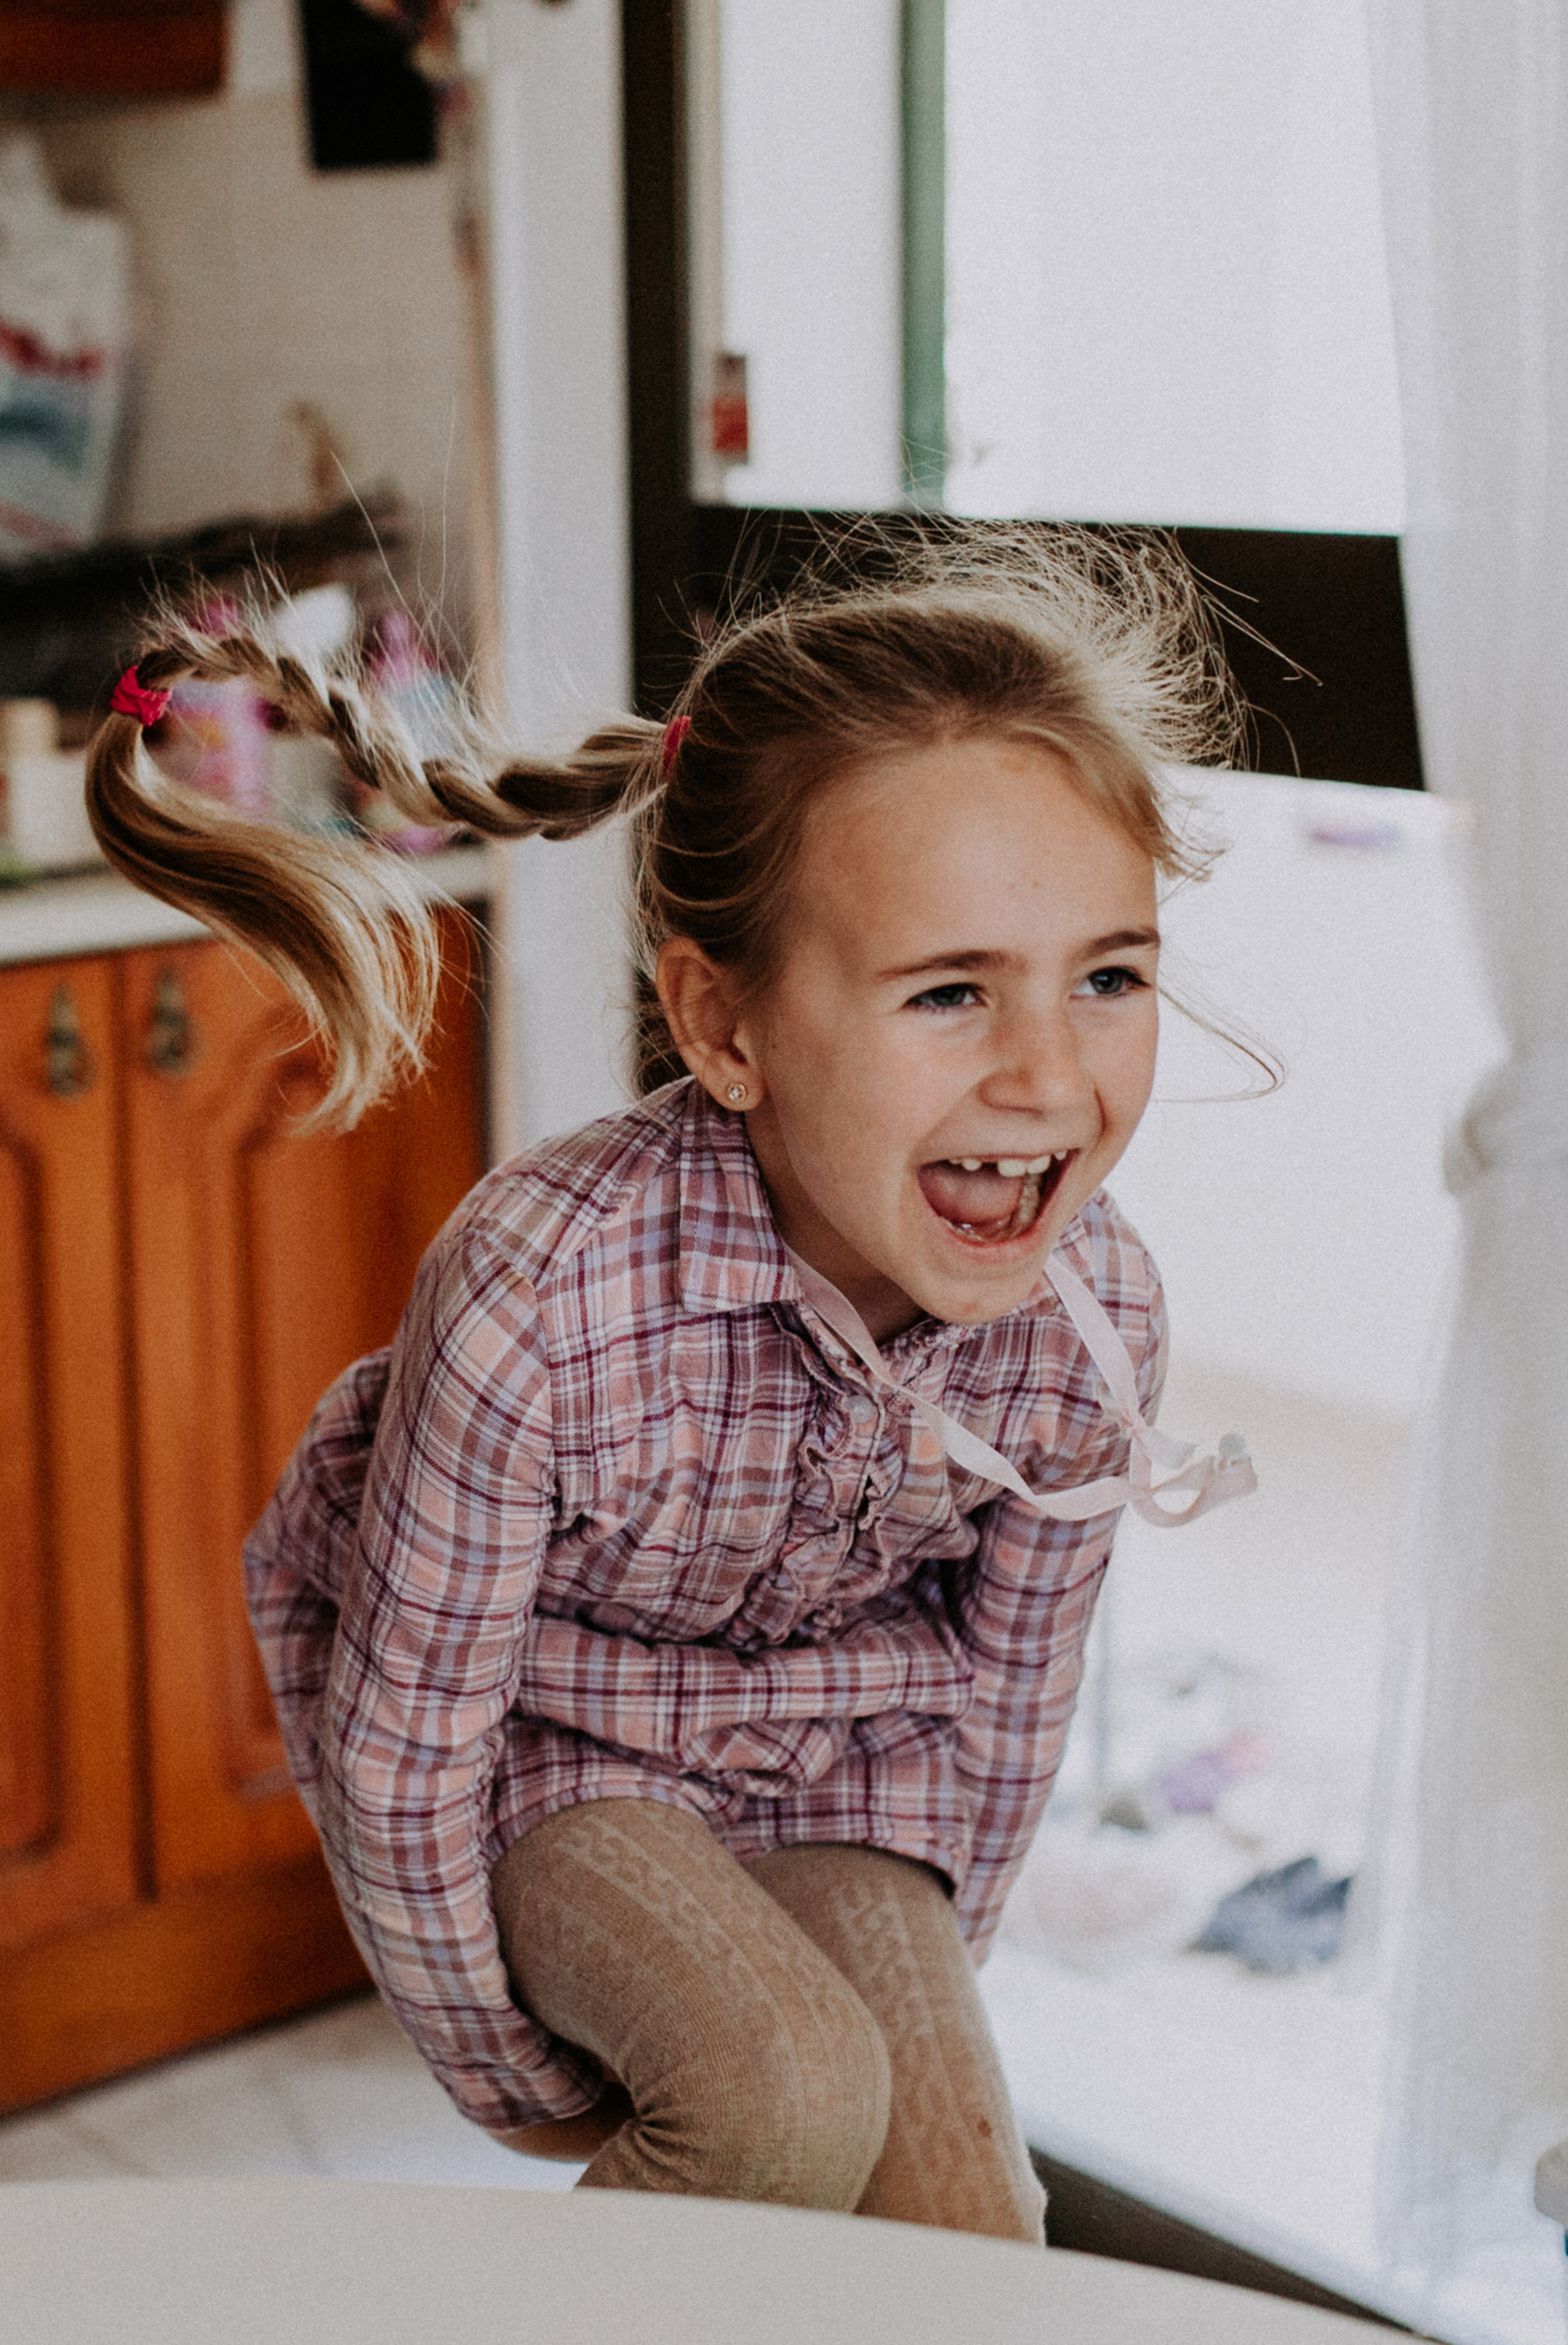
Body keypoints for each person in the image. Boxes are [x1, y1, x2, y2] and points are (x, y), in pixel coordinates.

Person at [85, 525, 1256, 2244]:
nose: (1046, 1073)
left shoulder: (1096, 1315)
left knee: (964, 2225)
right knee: (781, 2091)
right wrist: (514, 2070)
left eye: (1107, 978)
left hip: (846, 1769)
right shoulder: (539, 1296)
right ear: (723, 1027)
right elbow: (411, 1748)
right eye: (949, 991)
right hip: (559, 1757)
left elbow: (1011, 1705)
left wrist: (928, 1978)